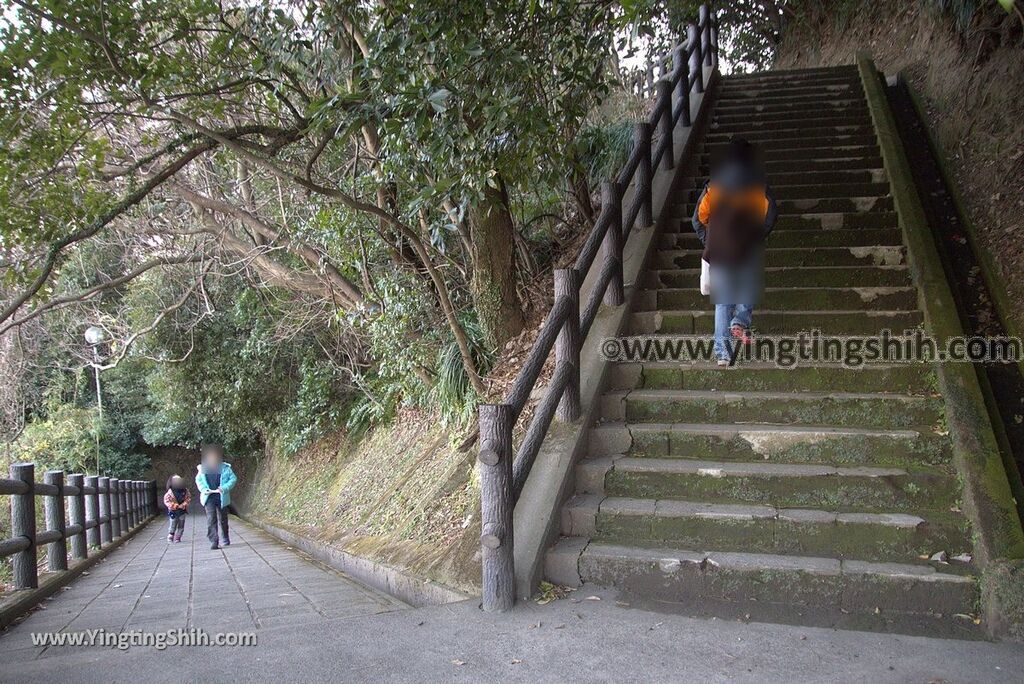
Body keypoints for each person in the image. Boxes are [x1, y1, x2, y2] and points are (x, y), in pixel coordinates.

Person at [691, 136, 777, 366]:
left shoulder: (714, 185)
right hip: (747, 247)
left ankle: (722, 354)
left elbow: (698, 219)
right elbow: (770, 216)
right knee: (749, 287)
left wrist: (710, 239)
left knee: (723, 301)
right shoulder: (758, 185)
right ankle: (739, 321)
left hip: (720, 251)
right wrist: (756, 237)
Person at [195, 444, 237, 550]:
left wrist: (224, 488)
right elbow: (199, 480)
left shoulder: (225, 468)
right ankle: (214, 540)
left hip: (222, 497)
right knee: (211, 518)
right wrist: (204, 489)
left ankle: (225, 537)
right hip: (209, 497)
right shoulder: (203, 468)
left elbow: (233, 479)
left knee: (223, 518)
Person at [163, 474, 191, 543]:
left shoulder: (185, 491)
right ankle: (171, 535)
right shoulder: (170, 492)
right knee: (173, 523)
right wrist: (175, 506)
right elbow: (167, 501)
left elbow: (188, 499)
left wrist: (184, 504)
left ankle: (178, 537)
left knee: (181, 524)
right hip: (173, 511)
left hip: (182, 510)